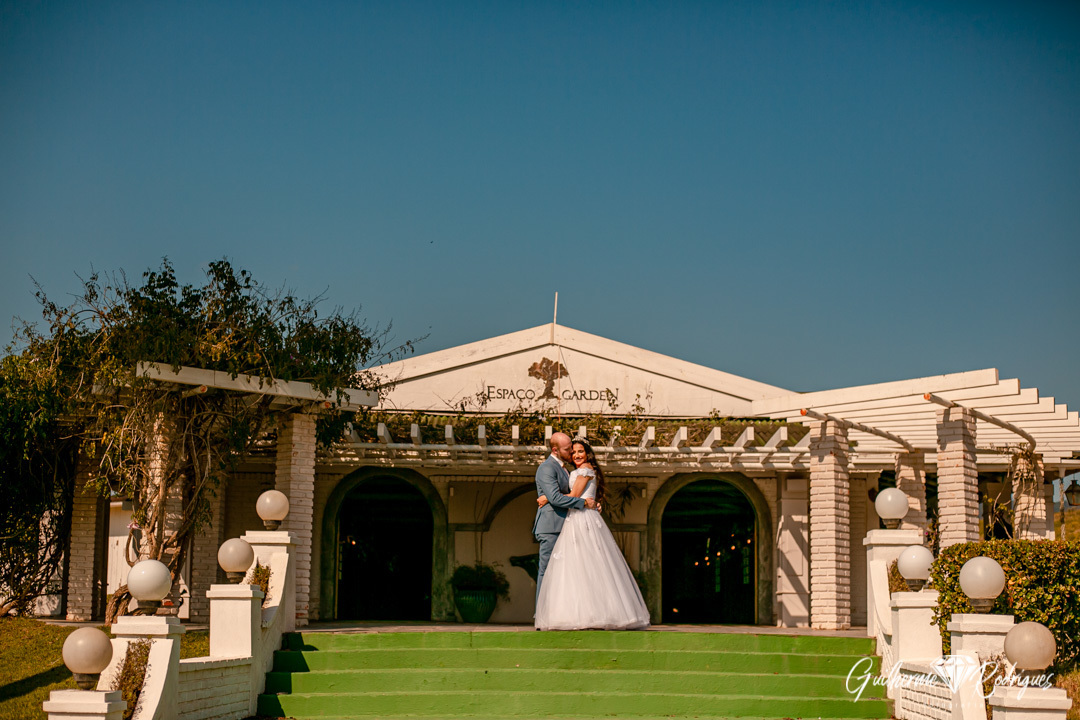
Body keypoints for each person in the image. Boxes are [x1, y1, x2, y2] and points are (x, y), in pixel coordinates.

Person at [533, 437, 650, 630]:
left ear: (588, 454)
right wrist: (584, 502)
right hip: (573, 519)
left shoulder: (585, 469)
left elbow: (573, 495)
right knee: (574, 568)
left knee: (587, 566)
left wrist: (548, 498)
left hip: (581, 520)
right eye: (573, 451)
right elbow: (577, 496)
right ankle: (565, 613)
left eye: (580, 451)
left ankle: (593, 613)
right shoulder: (563, 469)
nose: (575, 454)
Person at [532, 432, 596, 607]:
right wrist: (584, 503)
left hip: (566, 525)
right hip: (551, 527)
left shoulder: (564, 468)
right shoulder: (547, 468)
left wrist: (592, 503)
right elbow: (556, 498)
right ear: (555, 450)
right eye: (568, 449)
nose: (572, 453)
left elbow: (568, 493)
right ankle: (541, 613)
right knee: (546, 571)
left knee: (564, 573)